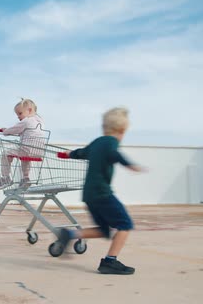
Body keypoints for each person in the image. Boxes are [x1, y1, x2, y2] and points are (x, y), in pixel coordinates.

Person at [58, 107, 145, 275]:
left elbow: (82, 153)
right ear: (121, 130)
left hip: (89, 195)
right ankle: (110, 261)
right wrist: (129, 164)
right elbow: (115, 154)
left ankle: (69, 234)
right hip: (102, 193)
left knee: (104, 230)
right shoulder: (111, 142)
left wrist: (69, 154)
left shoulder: (97, 142)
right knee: (125, 224)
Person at [0, 98, 46, 190]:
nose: (18, 116)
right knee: (25, 158)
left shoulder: (26, 121)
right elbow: (24, 131)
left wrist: (5, 131)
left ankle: (5, 178)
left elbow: (13, 129)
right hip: (38, 151)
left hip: (27, 149)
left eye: (20, 113)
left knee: (5, 153)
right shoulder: (40, 121)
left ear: (29, 110)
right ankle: (25, 178)